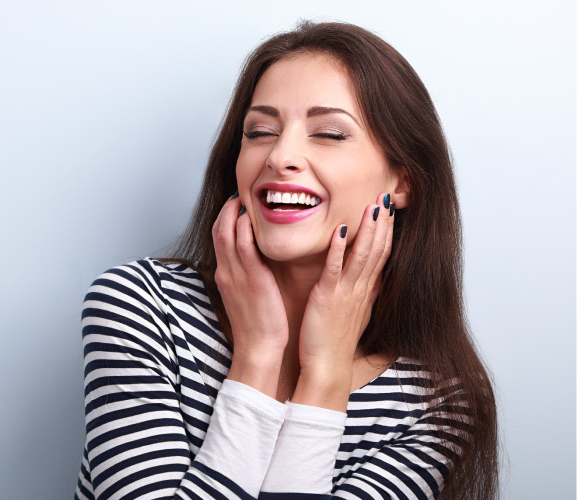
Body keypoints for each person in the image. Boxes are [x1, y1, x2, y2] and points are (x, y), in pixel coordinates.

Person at [75, 21, 498, 500]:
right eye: (260, 131)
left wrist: (324, 378)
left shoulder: (436, 399)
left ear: (402, 182)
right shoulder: (139, 303)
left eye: (329, 133)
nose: (281, 155)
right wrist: (257, 355)